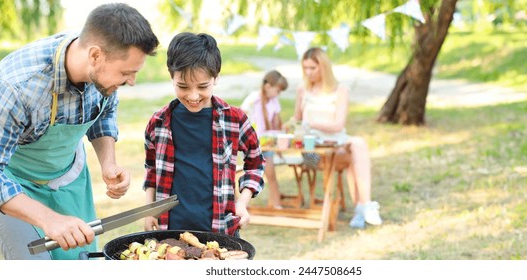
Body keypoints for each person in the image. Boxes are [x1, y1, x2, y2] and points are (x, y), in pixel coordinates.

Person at [0, 3, 159, 260]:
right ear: (95, 55)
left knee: (82, 261)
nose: (131, 82)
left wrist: (108, 163)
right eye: (126, 73)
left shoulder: (101, 73)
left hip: (69, 178)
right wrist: (49, 220)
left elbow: (104, 113)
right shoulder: (16, 86)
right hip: (12, 185)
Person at [142, 32, 265, 237]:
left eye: (202, 86)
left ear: (215, 78)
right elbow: (152, 169)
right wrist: (149, 210)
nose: (192, 96)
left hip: (220, 229)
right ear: (172, 76)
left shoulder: (235, 119)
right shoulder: (158, 123)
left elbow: (256, 162)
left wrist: (242, 203)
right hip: (171, 229)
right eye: (182, 86)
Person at [292, 47, 383, 229]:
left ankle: (362, 207)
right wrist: (303, 127)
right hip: (313, 152)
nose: (308, 73)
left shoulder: (340, 90)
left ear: (324, 67)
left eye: (313, 68)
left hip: (337, 145)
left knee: (358, 145)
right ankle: (364, 207)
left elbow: (338, 125)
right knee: (356, 154)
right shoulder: (303, 90)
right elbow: (297, 121)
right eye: (306, 68)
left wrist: (312, 123)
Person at [240, 70, 288, 209]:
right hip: (253, 144)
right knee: (247, 175)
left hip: (267, 144)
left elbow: (276, 122)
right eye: (278, 90)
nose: (278, 94)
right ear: (268, 86)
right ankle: (242, 205)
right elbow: (242, 115)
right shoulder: (254, 98)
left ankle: (276, 202)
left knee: (271, 174)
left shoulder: (273, 101)